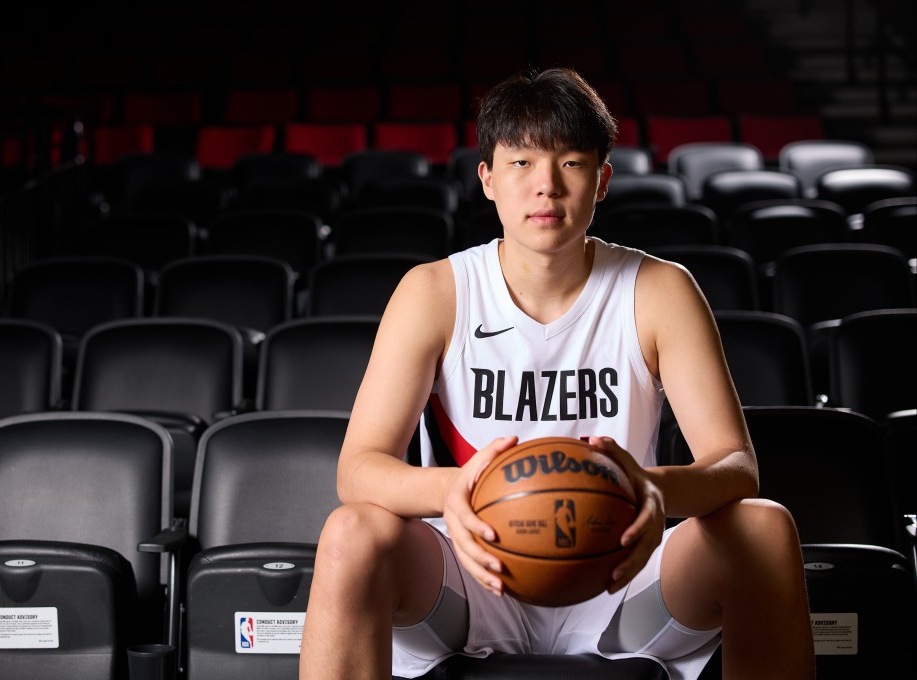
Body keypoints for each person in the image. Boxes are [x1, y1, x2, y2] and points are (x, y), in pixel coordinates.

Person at [299, 67, 815, 680]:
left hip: (618, 571)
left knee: (765, 529)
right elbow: (358, 469)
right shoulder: (436, 292)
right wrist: (451, 492)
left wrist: (652, 491)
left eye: (570, 162)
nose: (545, 186)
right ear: (486, 178)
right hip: (472, 574)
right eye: (521, 163)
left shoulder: (660, 290)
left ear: (602, 181)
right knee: (350, 533)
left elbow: (736, 465)